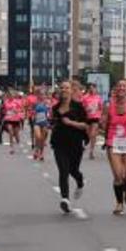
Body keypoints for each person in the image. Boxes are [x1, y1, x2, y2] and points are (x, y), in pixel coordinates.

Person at [100, 79, 126, 215]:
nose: (121, 88)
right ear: (115, 89)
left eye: (124, 86)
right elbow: (104, 122)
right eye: (119, 86)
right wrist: (102, 121)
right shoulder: (108, 105)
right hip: (113, 141)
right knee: (118, 175)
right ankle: (119, 203)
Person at [49, 82, 88, 213]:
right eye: (62, 88)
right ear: (59, 91)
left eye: (67, 88)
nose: (64, 90)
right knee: (63, 171)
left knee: (73, 170)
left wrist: (71, 123)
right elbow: (53, 123)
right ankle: (65, 199)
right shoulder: (55, 108)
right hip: (59, 143)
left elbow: (85, 125)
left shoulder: (78, 107)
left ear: (72, 90)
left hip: (76, 143)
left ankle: (80, 181)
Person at [81, 83, 103, 159]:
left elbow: (101, 108)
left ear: (95, 89)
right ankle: (86, 141)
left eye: (93, 88)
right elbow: (81, 108)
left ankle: (91, 151)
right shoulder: (84, 98)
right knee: (89, 134)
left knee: (93, 134)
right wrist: (86, 109)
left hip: (95, 117)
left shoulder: (98, 97)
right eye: (90, 88)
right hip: (87, 118)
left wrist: (100, 116)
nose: (92, 90)